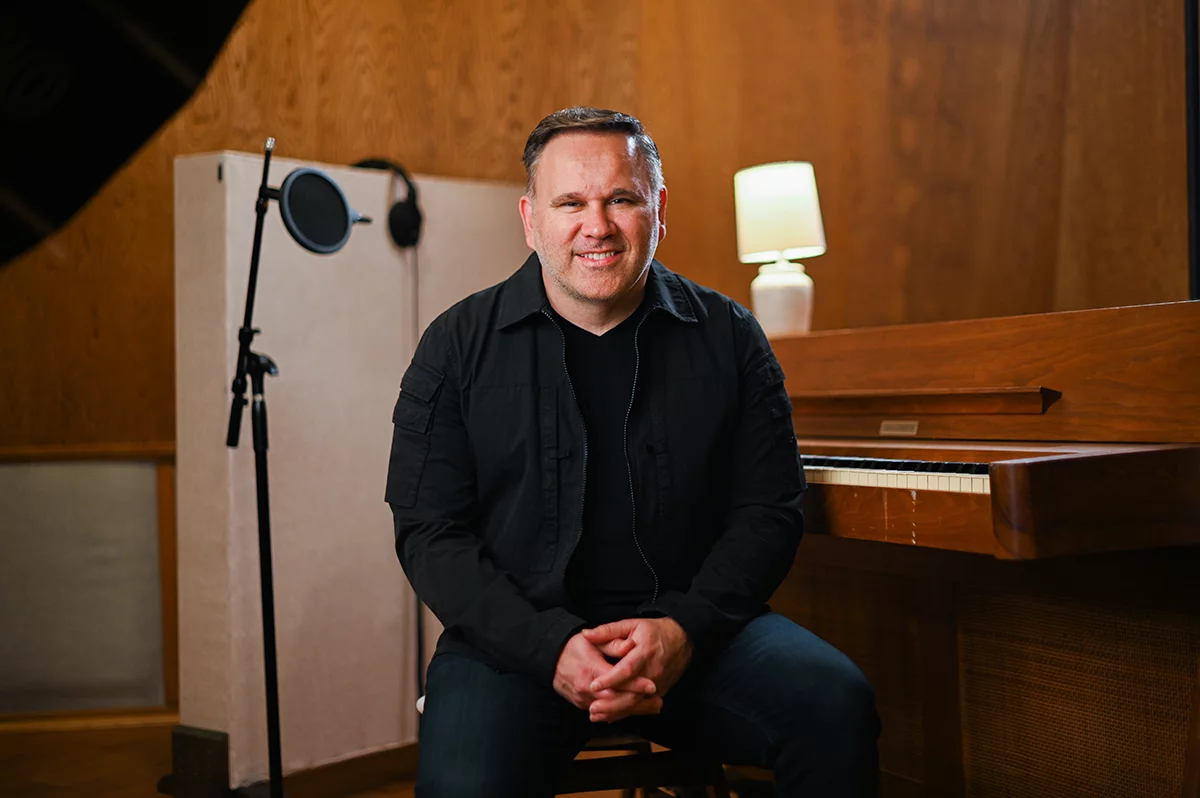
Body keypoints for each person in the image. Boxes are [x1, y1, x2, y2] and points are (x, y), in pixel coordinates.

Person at [385, 107, 880, 797]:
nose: (598, 226)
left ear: (659, 208)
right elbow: (430, 533)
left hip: (698, 637)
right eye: (570, 203)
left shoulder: (732, 338)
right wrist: (549, 648)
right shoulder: (455, 346)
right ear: (530, 219)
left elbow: (768, 511)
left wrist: (683, 629)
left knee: (835, 704)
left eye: (621, 198)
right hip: (513, 649)